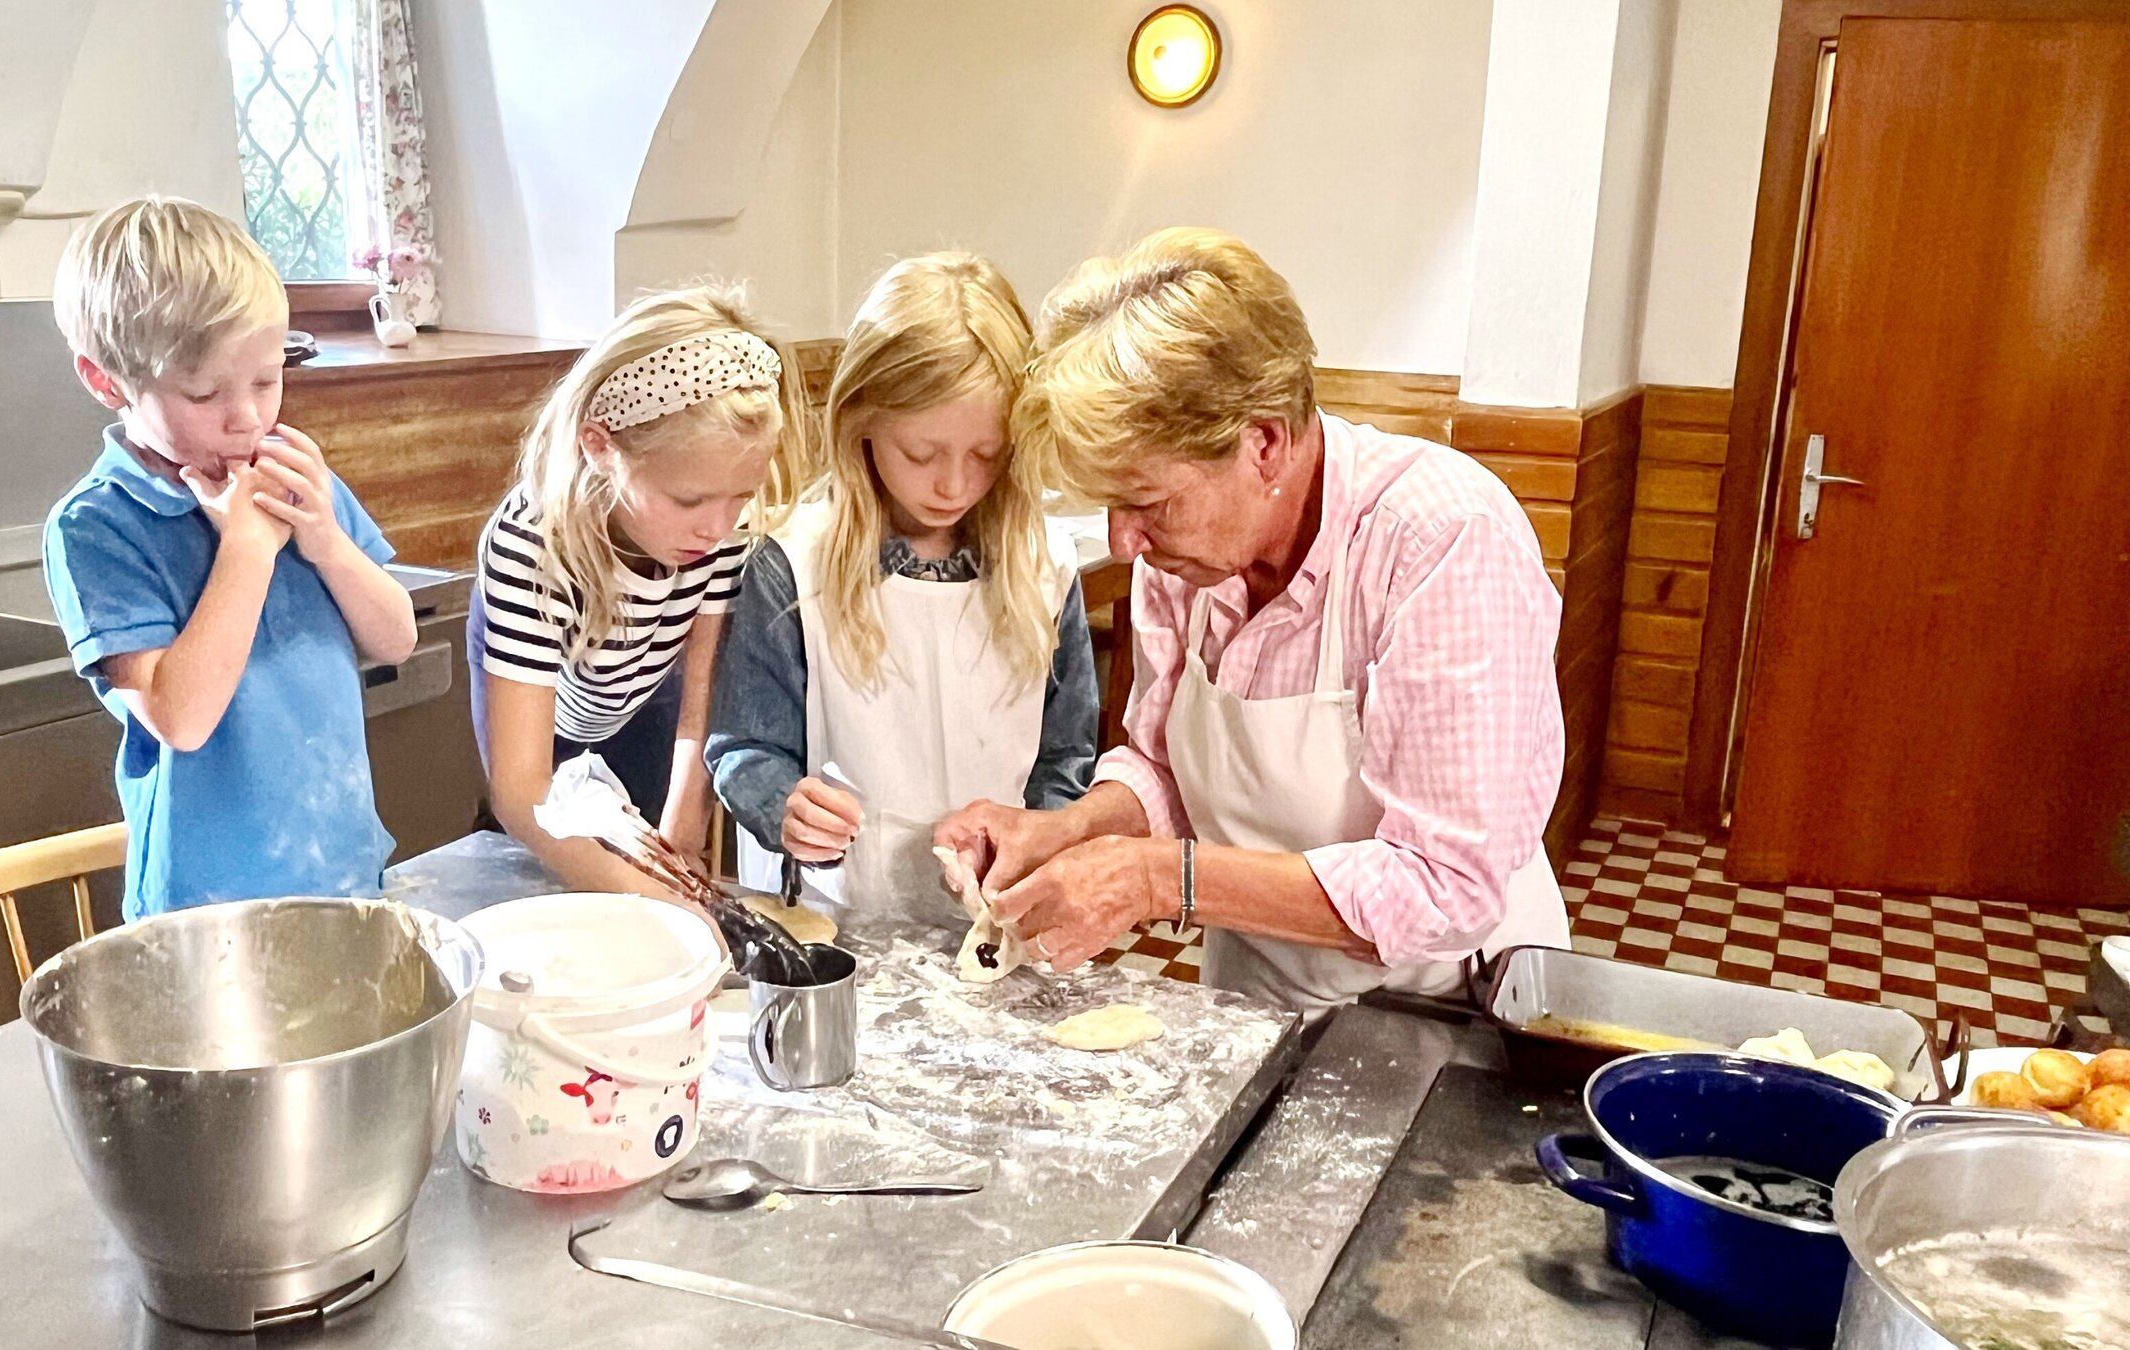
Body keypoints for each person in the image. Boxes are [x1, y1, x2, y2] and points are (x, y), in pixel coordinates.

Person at [937, 227, 1570, 1021]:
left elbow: (1441, 885)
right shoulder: (1187, 558)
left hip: (1447, 1007)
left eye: (1146, 502)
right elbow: (1166, 768)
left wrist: (1150, 879)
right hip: (1257, 993)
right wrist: (1064, 832)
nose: (1124, 541)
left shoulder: (1440, 538)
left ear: (1263, 441)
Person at [43, 196, 416, 919]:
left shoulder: (293, 478)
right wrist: (246, 550)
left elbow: (395, 637)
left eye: (268, 380)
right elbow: (181, 718)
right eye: (204, 391)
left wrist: (327, 545)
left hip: (341, 868)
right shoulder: (98, 527)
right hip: (207, 905)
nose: (246, 416)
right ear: (105, 380)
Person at [706, 254, 1098, 922]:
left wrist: (1036, 839)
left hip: (993, 914)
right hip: (834, 919)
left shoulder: (1044, 566)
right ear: (862, 421)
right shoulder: (793, 561)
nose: (952, 485)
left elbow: (1066, 754)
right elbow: (744, 746)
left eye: (984, 456)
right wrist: (781, 804)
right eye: (921, 453)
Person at [470, 286, 808, 898]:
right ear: (601, 446)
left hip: (649, 698)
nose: (718, 524)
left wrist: (684, 821)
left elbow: (702, 686)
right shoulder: (534, 544)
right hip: (548, 726)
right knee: (556, 878)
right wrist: (649, 897)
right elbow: (522, 792)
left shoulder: (721, 519)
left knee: (658, 856)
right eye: (690, 500)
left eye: (741, 495)